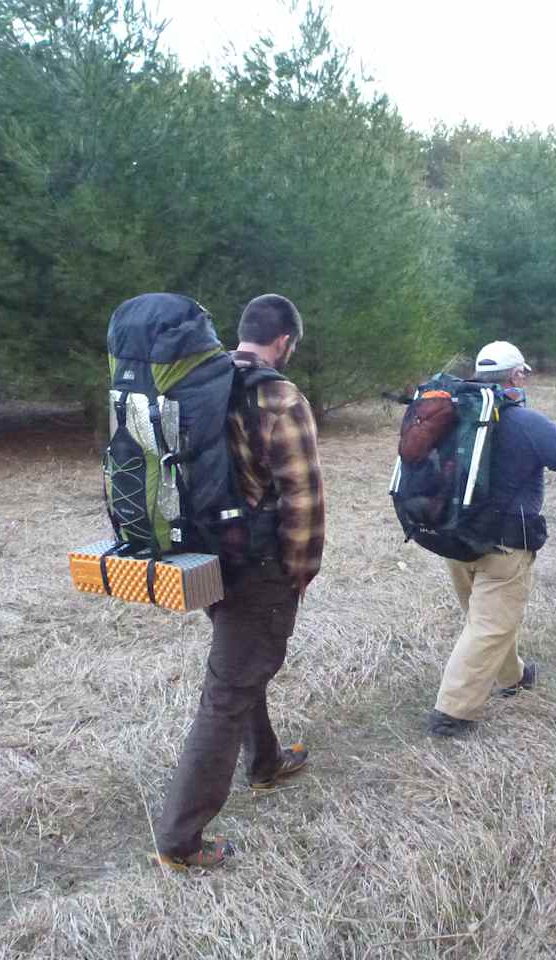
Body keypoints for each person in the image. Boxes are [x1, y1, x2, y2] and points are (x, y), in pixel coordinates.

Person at [154, 294, 326, 869]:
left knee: (243, 660)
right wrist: (302, 569)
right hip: (260, 565)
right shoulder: (279, 396)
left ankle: (266, 761)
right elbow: (302, 496)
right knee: (228, 691)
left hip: (204, 555)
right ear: (285, 342)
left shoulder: (200, 385)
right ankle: (180, 840)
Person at [426, 340, 556, 738]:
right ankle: (452, 712)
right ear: (516, 375)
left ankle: (513, 677)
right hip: (504, 544)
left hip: (453, 536)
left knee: (487, 618)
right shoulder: (525, 422)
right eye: (523, 371)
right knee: (488, 625)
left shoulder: (451, 413)